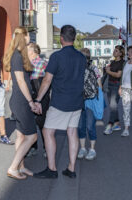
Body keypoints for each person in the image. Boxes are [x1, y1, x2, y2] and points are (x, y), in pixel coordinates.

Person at [33, 25, 86, 179]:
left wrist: (38, 99)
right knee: (72, 132)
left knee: (47, 131)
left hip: (61, 101)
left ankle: (52, 169)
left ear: (61, 38)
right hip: (77, 101)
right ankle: (71, 168)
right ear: (74, 38)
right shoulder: (82, 57)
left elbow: (47, 80)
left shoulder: (56, 57)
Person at [4, 27, 38, 179]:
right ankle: (13, 168)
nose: (30, 37)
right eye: (28, 35)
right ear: (23, 37)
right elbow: (20, 80)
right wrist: (31, 101)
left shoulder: (17, 55)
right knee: (32, 137)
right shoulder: (17, 56)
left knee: (21, 136)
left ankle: (21, 167)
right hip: (22, 101)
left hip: (18, 100)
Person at [77, 48, 102, 161]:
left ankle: (92, 149)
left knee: (89, 126)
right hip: (79, 101)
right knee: (81, 126)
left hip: (91, 101)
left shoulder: (94, 69)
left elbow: (99, 85)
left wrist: (99, 102)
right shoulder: (77, 69)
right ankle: (82, 148)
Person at [26, 43, 49, 157]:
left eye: (27, 50)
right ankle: (33, 147)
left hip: (40, 96)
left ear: (33, 51)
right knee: (31, 123)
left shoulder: (42, 63)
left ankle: (46, 148)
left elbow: (46, 82)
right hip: (31, 96)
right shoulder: (28, 63)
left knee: (41, 122)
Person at [103, 45, 125, 135]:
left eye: (116, 51)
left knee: (112, 106)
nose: (114, 52)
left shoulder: (122, 63)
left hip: (117, 85)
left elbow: (118, 75)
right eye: (114, 50)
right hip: (109, 85)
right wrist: (106, 70)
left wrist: (108, 71)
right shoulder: (112, 62)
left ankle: (109, 125)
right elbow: (110, 74)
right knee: (113, 106)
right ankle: (117, 123)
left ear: (120, 53)